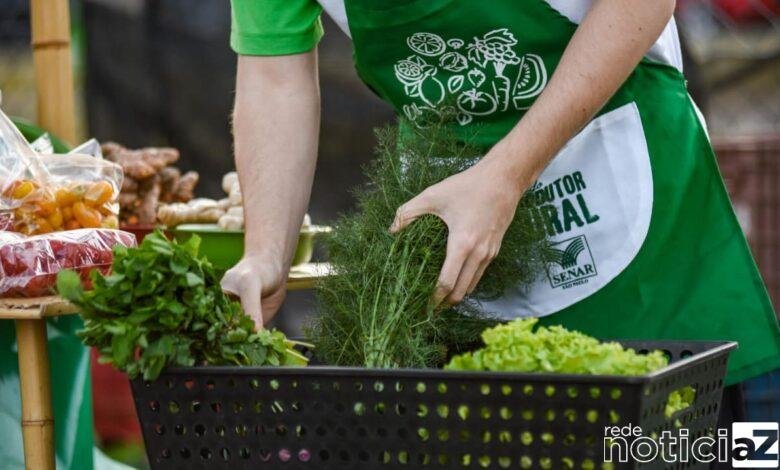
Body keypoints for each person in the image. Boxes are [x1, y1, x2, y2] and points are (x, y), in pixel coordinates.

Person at [222, 0, 780, 423]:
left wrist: (505, 175)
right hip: (447, 214)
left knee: (700, 434)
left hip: (626, 182)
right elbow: (275, 74)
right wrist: (266, 251)